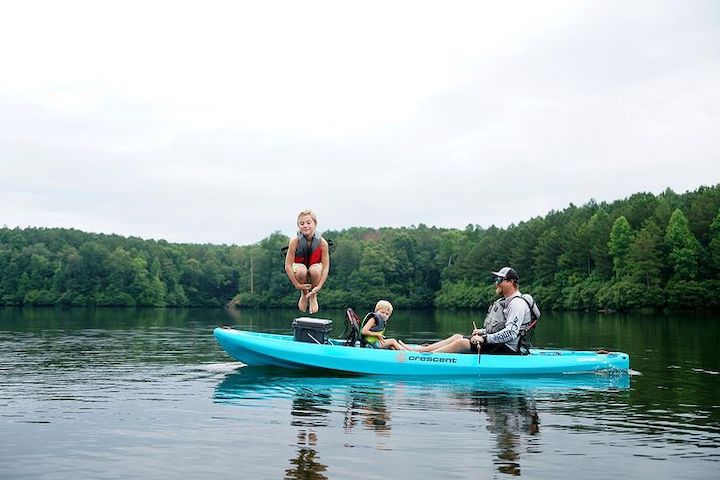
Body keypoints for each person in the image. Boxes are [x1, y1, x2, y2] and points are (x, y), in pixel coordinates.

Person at [412, 267, 531, 355]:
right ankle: (419, 351)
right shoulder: (507, 301)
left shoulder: (517, 304)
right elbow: (501, 327)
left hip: (508, 348)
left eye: (500, 280)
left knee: (461, 343)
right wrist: (482, 331)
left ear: (511, 282)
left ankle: (427, 358)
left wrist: (484, 338)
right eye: (496, 280)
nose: (496, 283)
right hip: (498, 343)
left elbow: (511, 333)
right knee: (457, 337)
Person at [284, 209, 330, 314]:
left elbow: (326, 267)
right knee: (301, 270)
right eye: (302, 223)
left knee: (315, 270)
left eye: (308, 223)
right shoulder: (294, 241)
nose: (305, 226)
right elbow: (288, 266)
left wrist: (319, 287)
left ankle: (313, 296)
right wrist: (297, 285)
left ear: (315, 224)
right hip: (300, 269)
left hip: (315, 269)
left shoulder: (323, 243)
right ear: (298, 226)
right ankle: (304, 294)